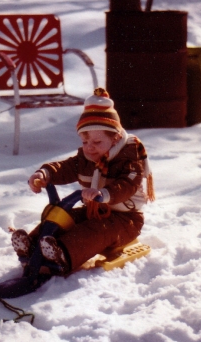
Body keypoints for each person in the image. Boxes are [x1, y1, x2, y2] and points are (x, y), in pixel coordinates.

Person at [14, 87, 154, 276]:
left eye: (97, 142)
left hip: (126, 220)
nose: (90, 148)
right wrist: (45, 173)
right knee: (65, 218)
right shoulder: (87, 158)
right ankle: (31, 245)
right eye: (85, 142)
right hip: (95, 211)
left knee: (95, 231)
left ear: (116, 138)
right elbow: (65, 167)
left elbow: (127, 185)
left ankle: (62, 255)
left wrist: (104, 194)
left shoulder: (129, 160)